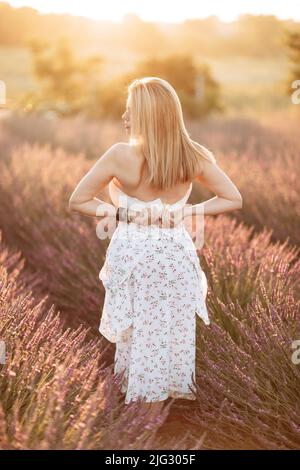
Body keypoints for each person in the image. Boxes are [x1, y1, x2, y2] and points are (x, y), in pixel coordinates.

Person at [69, 77, 242, 420]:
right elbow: (233, 198)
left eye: (130, 110)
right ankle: (150, 421)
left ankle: (141, 431)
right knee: (164, 338)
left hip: (135, 258)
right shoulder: (194, 155)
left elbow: (78, 201)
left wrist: (123, 213)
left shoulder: (120, 155)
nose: (123, 116)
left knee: (141, 338)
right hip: (176, 258)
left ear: (147, 115)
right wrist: (186, 211)